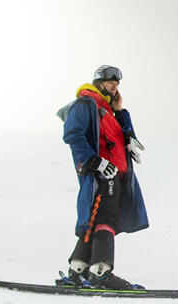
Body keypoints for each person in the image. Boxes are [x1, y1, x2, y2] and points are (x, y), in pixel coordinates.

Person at [57, 65, 148, 289]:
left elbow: (119, 137)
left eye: (117, 84)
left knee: (98, 219)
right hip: (101, 173)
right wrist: (93, 160)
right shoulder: (85, 104)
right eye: (110, 82)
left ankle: (78, 269)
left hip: (114, 174)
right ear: (99, 82)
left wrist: (121, 113)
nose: (115, 86)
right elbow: (73, 134)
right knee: (105, 219)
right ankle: (100, 271)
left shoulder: (108, 111)